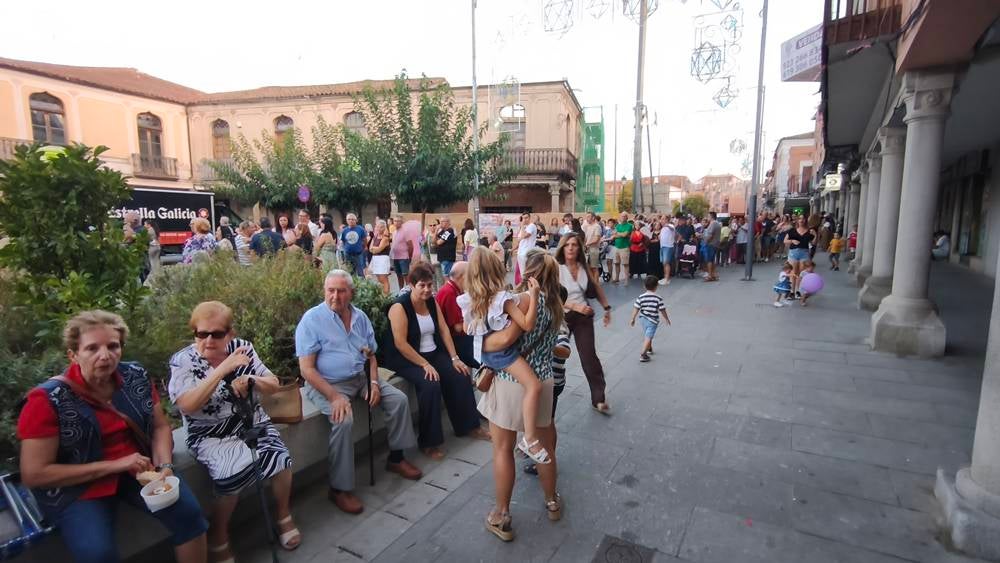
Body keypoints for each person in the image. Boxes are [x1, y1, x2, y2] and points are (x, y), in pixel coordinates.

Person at [17, 311, 208, 563]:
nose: (104, 355)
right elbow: (34, 473)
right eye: (92, 348)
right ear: (73, 354)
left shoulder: (135, 376)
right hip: (78, 487)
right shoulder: (46, 400)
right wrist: (116, 464)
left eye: (112, 346)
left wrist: (165, 467)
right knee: (98, 554)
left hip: (137, 471)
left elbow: (160, 427)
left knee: (190, 517)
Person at [169, 302, 300, 559]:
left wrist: (252, 380)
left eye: (216, 334)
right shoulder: (183, 361)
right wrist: (223, 370)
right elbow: (187, 405)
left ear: (229, 333)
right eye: (201, 333)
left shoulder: (244, 348)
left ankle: (283, 515)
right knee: (230, 477)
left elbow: (273, 384)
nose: (208, 340)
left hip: (251, 422)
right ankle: (219, 535)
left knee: (281, 460)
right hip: (210, 435)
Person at [296, 270, 422, 515]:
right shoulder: (312, 320)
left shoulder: (360, 317)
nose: (335, 296)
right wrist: (334, 396)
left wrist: (374, 383)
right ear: (324, 291)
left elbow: (371, 356)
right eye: (330, 290)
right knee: (343, 420)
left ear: (350, 293)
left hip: (360, 377)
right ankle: (339, 488)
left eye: (341, 290)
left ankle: (396, 458)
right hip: (327, 383)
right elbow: (306, 370)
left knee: (398, 399)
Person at [477, 248, 563, 541]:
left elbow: (502, 338)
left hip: (511, 380)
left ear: (528, 272)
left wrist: (482, 346)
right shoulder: (556, 306)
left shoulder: (520, 300)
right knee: (544, 448)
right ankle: (552, 500)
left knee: (503, 450)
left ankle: (501, 515)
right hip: (543, 382)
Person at [384, 264, 489, 459]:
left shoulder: (431, 302)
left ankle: (469, 426)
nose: (426, 290)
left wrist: (454, 358)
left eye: (430, 285)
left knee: (461, 374)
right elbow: (400, 343)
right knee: (430, 384)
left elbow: (443, 330)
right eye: (422, 285)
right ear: (412, 285)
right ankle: (428, 442)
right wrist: (424, 364)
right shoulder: (400, 306)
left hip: (433, 352)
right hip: (408, 358)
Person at [458, 247, 549, 464]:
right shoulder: (502, 299)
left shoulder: (470, 298)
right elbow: (527, 325)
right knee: (534, 386)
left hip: (485, 355)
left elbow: (466, 328)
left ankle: (528, 438)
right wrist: (534, 297)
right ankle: (529, 438)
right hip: (502, 354)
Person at [555, 233, 613, 413]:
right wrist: (574, 306)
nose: (571, 248)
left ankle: (599, 398)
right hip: (561, 316)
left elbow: (596, 286)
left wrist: (606, 307)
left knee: (589, 357)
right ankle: (548, 394)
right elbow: (551, 297)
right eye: (567, 245)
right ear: (562, 248)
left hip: (583, 318)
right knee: (555, 356)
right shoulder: (556, 268)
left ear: (579, 248)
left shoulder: (583, 267)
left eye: (574, 244)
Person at [436, 261, 477, 368]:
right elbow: (459, 328)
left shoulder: (453, 289)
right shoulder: (449, 293)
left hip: (457, 338)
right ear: (463, 277)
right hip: (455, 341)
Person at [629, 275, 671, 362]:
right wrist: (666, 318)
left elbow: (636, 308)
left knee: (647, 334)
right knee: (648, 336)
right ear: (656, 287)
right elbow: (662, 309)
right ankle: (643, 354)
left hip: (643, 319)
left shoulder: (641, 297)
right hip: (653, 320)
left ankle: (649, 348)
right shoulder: (658, 298)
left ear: (644, 286)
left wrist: (633, 318)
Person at [784, 216, 816, 299]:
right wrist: (792, 241)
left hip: (804, 253)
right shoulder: (792, 231)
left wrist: (815, 235)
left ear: (805, 221)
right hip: (793, 253)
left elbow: (813, 243)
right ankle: (791, 292)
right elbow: (785, 241)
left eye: (803, 219)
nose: (801, 220)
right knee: (793, 273)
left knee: (801, 274)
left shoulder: (809, 231)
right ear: (797, 221)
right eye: (800, 219)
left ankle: (799, 291)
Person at [390, 216, 415, 287]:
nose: (396, 222)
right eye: (395, 221)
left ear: (402, 222)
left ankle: (408, 291)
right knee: (398, 276)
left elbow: (410, 246)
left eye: (398, 221)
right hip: (395, 257)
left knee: (406, 275)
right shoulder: (394, 232)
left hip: (404, 257)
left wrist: (409, 257)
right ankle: (401, 291)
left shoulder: (406, 231)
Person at [368, 220, 392, 293]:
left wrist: (374, 249)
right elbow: (370, 249)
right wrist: (374, 249)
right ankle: (382, 295)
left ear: (384, 228)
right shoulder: (375, 237)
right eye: (377, 226)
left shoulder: (385, 238)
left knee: (383, 279)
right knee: (379, 279)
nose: (379, 228)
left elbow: (378, 249)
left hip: (383, 259)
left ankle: (386, 297)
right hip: (375, 259)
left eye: (381, 227)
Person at [516, 212, 538, 279]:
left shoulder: (532, 226)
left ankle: (529, 287)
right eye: (523, 218)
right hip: (520, 252)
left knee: (527, 273)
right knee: (523, 274)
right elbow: (518, 239)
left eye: (526, 218)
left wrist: (522, 226)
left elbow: (524, 236)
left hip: (527, 253)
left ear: (529, 218)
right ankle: (525, 287)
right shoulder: (524, 227)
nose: (524, 219)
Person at [582, 212, 603, 279]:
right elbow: (585, 238)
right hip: (587, 250)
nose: (586, 218)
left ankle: (596, 285)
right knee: (588, 268)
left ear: (593, 217)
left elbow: (596, 239)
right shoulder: (587, 226)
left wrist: (587, 244)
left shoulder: (597, 226)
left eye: (588, 217)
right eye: (586, 217)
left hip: (594, 250)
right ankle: (592, 284)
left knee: (594, 268)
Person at [702, 212, 721, 282]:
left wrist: (705, 240)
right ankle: (713, 275)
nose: (707, 218)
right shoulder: (718, 224)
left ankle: (710, 275)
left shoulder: (713, 224)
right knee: (712, 260)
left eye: (708, 216)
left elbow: (710, 235)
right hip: (715, 244)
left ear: (711, 216)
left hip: (711, 244)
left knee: (709, 260)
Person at [658, 215, 676, 285]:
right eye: (661, 219)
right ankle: (665, 277)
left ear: (667, 220)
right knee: (664, 263)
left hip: (668, 247)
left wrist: (667, 225)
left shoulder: (671, 226)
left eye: (663, 219)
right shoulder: (662, 229)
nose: (661, 221)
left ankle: (667, 279)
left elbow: (672, 228)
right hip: (662, 247)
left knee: (666, 263)